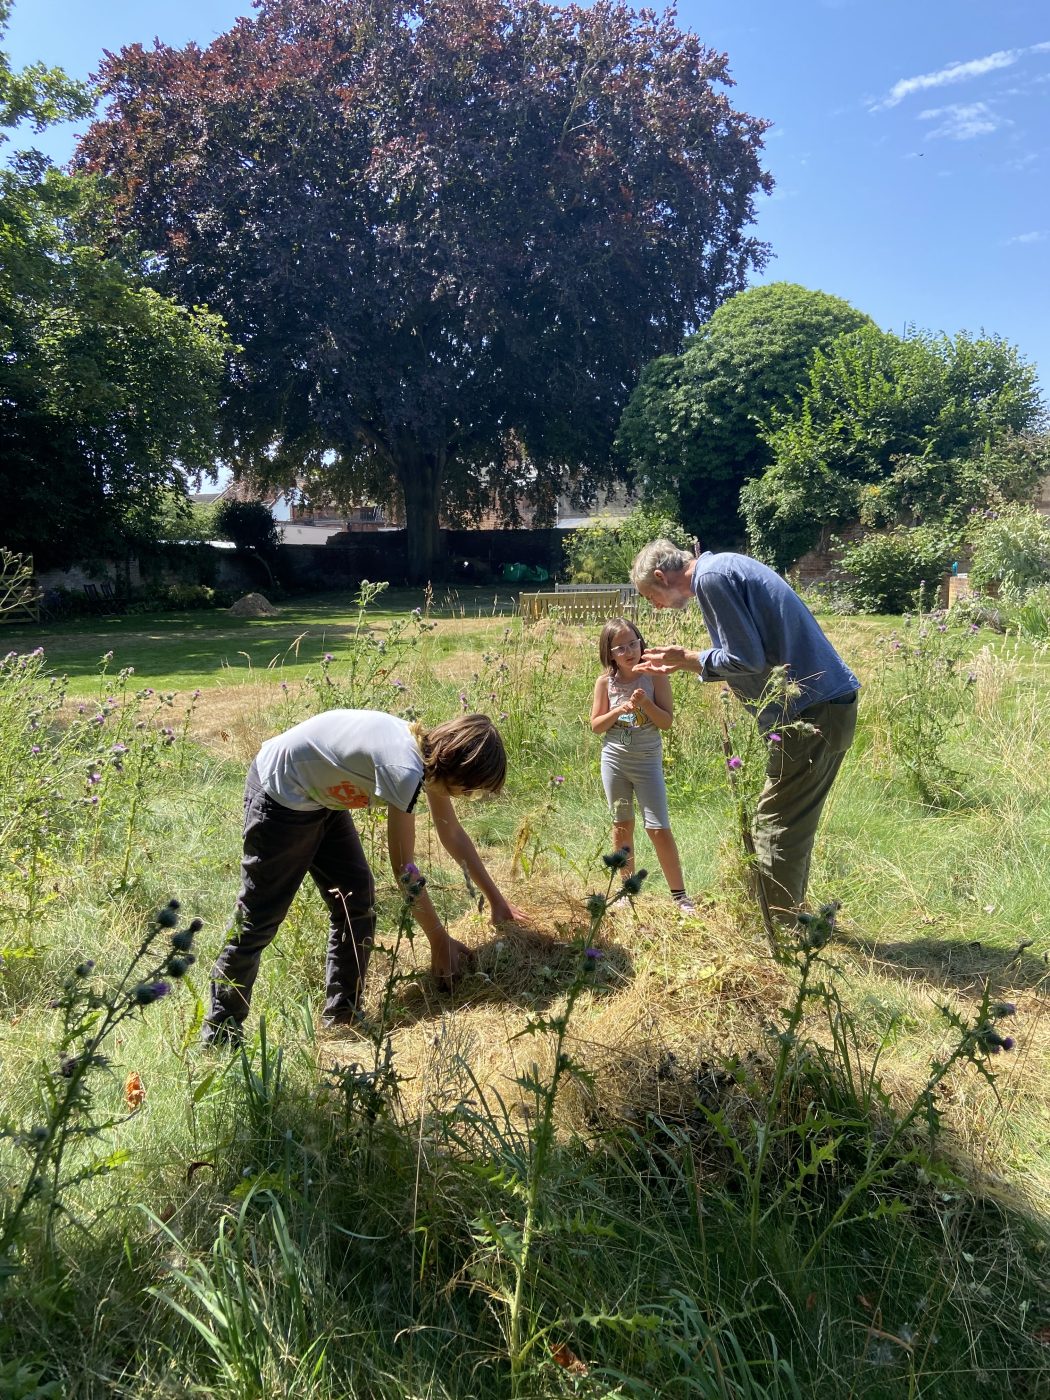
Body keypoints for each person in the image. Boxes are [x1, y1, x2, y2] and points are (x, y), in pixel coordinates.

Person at [202, 709, 523, 1046]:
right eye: (469, 791)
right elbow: (405, 870)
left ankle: (343, 1019)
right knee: (258, 919)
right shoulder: (405, 768)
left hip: (320, 795)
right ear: (456, 767)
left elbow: (452, 833)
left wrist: (496, 902)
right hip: (281, 793)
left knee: (355, 898)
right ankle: (221, 1034)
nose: (465, 797)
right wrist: (439, 940)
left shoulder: (428, 759)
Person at [630, 540, 859, 920]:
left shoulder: (711, 578)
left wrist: (686, 658)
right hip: (825, 707)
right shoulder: (724, 568)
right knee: (791, 823)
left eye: (649, 596)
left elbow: (745, 658)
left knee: (775, 824)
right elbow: (754, 653)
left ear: (661, 576)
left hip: (810, 713)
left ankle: (778, 929)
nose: (655, 606)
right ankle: (790, 920)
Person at [590, 616, 696, 914]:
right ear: (610, 653)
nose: (628, 651)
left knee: (658, 827)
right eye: (620, 648)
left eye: (633, 643)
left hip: (647, 763)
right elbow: (596, 725)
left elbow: (666, 722)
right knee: (621, 825)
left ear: (641, 643)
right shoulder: (605, 682)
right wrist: (619, 710)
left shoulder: (655, 676)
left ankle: (680, 896)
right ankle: (626, 892)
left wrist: (645, 704)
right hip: (614, 761)